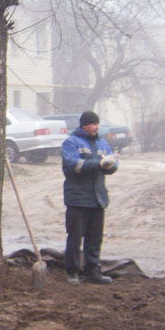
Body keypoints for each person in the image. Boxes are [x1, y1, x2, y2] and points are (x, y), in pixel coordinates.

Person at [61, 110, 118, 285]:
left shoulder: (102, 143)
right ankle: (72, 272)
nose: (96, 127)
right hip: (78, 198)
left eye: (97, 124)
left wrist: (111, 164)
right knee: (75, 236)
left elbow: (111, 166)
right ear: (84, 125)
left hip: (97, 198)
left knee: (95, 237)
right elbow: (73, 165)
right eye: (93, 124)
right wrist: (98, 164)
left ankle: (92, 271)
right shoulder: (71, 143)